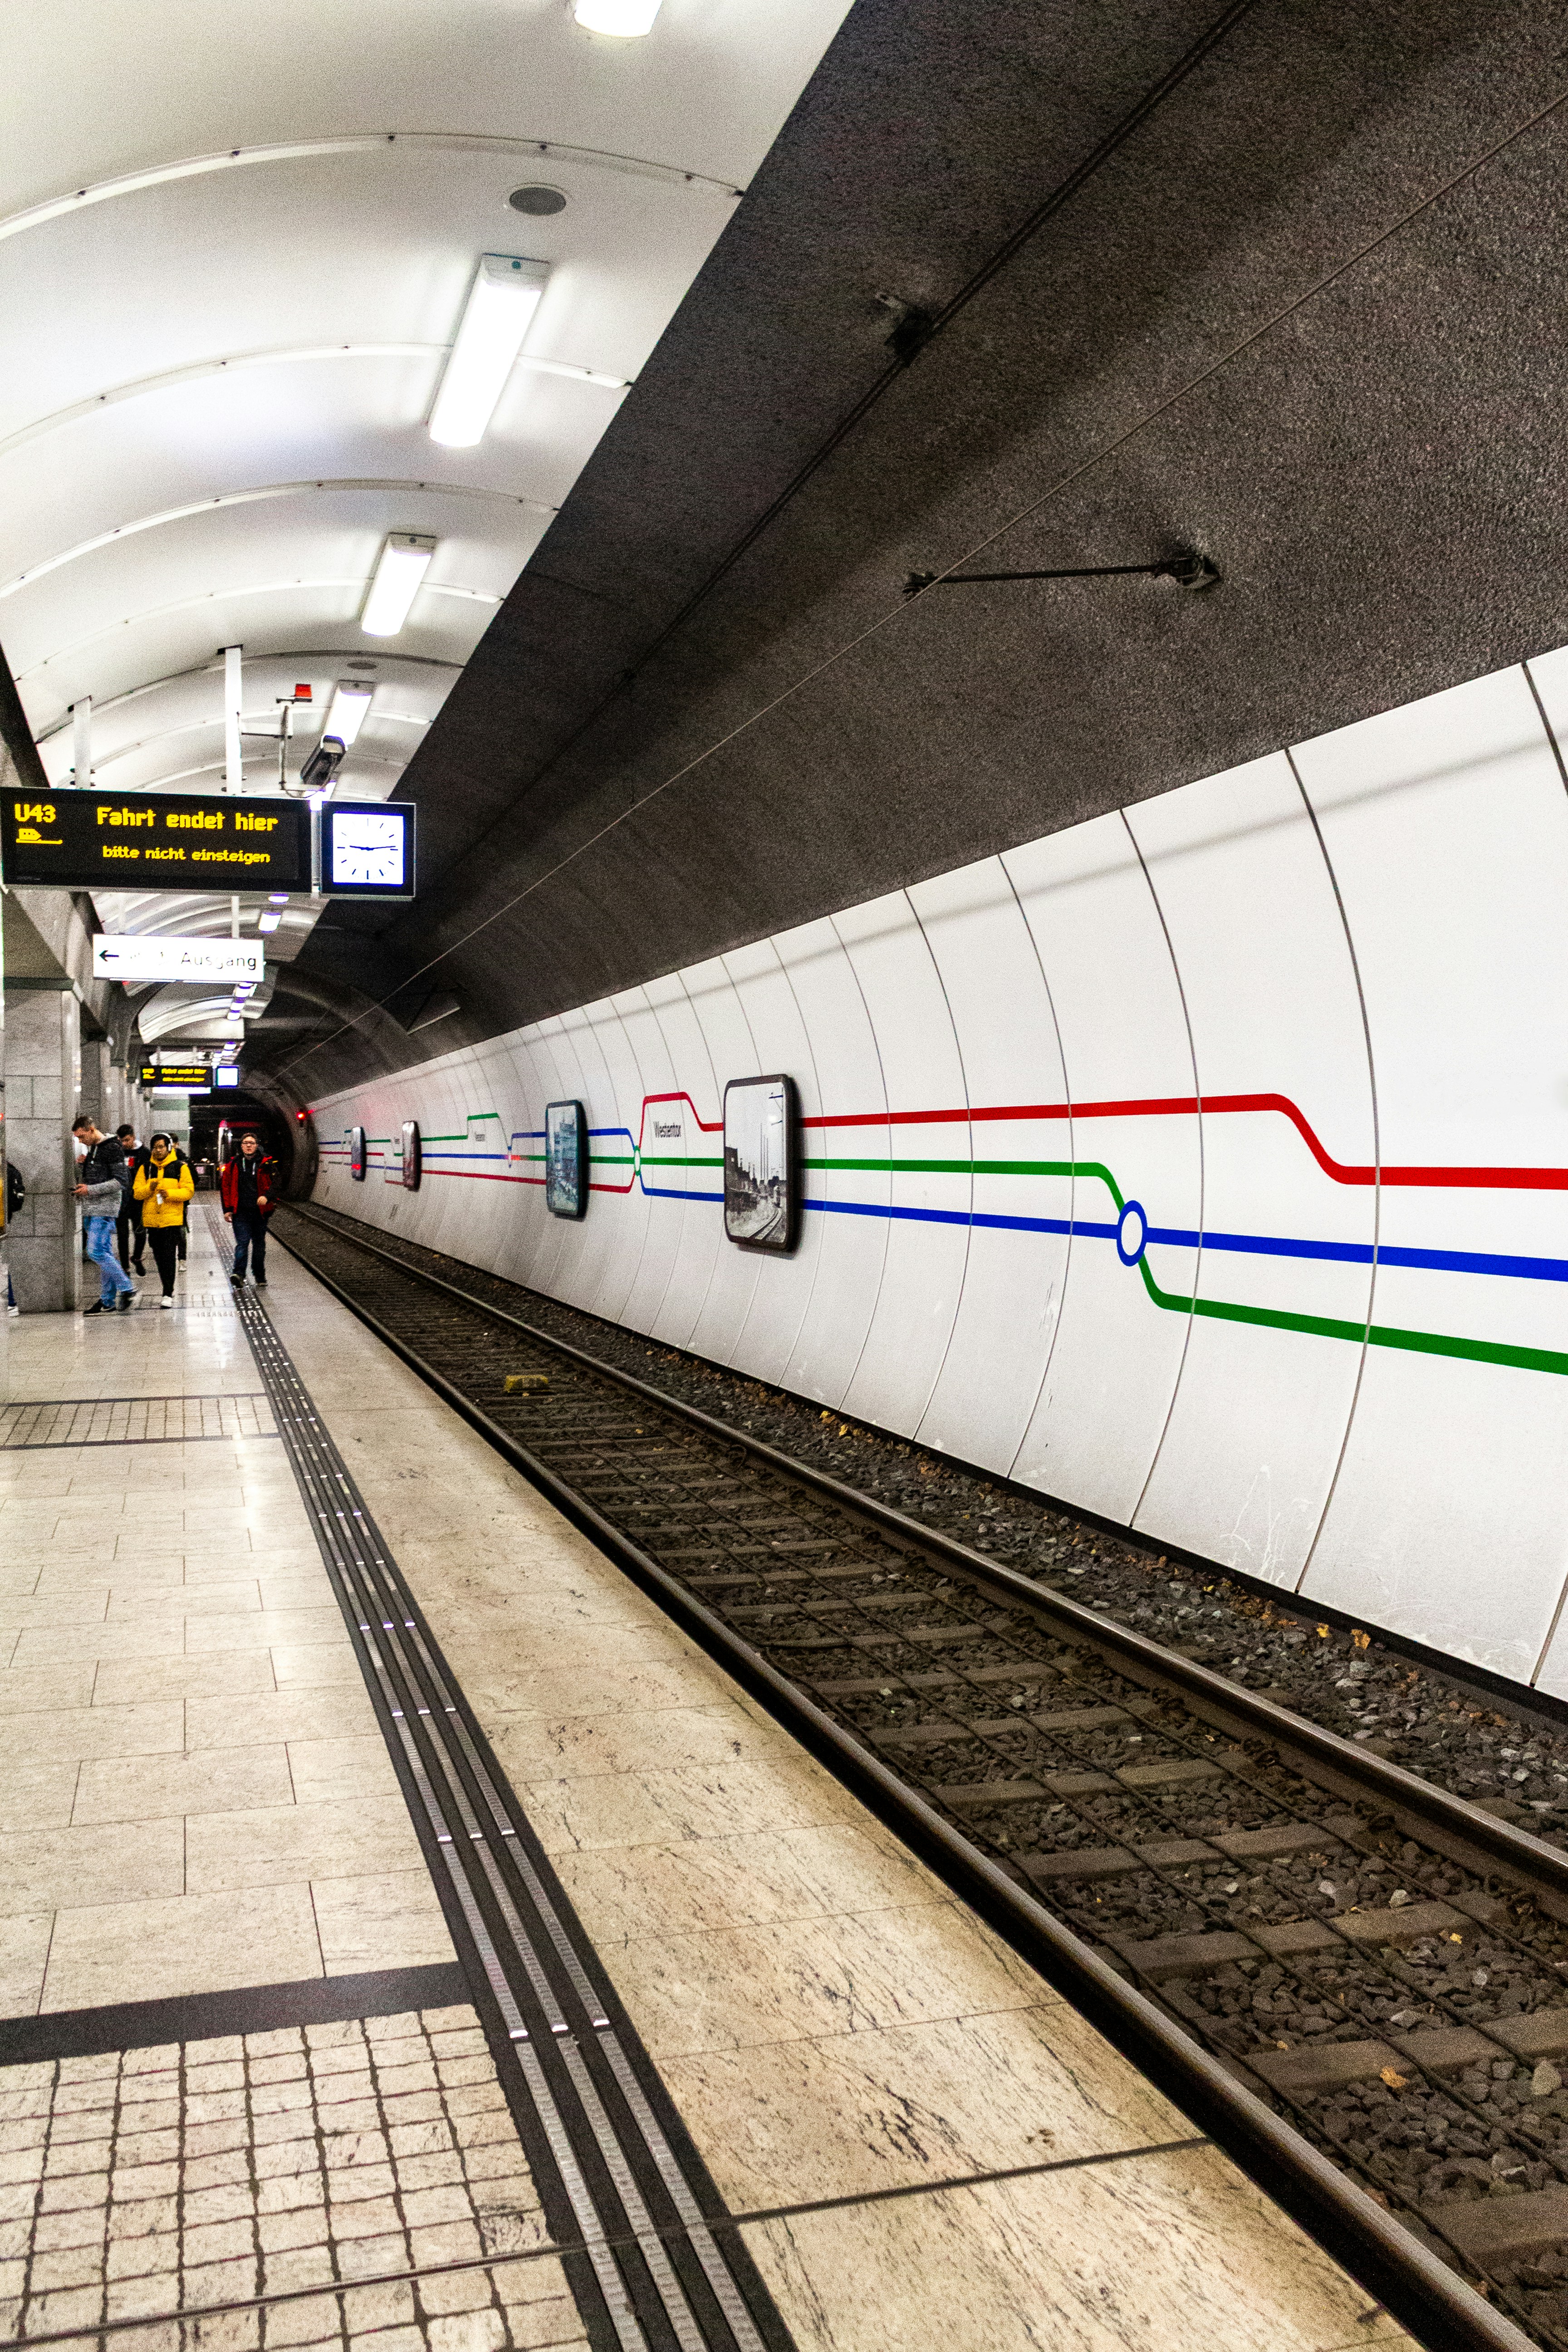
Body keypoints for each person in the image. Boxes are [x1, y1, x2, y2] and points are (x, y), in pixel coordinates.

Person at [71, 1116, 135, 1313]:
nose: (80, 1141)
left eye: (81, 1137)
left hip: (105, 1209)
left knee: (95, 1252)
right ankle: (108, 1301)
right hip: (92, 1208)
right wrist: (84, 1168)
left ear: (91, 1129)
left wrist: (89, 1190)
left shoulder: (113, 1147)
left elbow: (121, 1182)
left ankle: (128, 1288)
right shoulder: (93, 1149)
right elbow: (101, 1174)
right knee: (104, 1252)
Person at [134, 1132, 193, 1308]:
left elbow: (189, 1191)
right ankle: (167, 1288)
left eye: (161, 1147)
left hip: (172, 1221)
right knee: (160, 1257)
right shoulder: (145, 1168)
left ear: (169, 1148)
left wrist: (171, 1195)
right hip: (153, 1222)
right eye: (155, 1147)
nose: (158, 1150)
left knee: (169, 1257)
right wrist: (149, 1189)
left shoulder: (180, 1167)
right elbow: (137, 1193)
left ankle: (168, 1292)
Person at [221, 1132, 278, 1288]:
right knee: (242, 1243)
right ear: (241, 1146)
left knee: (259, 1244)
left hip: (260, 1212)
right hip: (241, 1212)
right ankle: (239, 1274)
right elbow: (225, 1186)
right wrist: (227, 1209)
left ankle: (259, 1275)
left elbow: (277, 1182)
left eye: (252, 1143)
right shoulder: (234, 1164)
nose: (248, 1145)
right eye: (245, 1143)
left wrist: (267, 1196)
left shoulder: (266, 1163)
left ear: (257, 1145)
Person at [115, 1124, 147, 1276]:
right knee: (123, 1236)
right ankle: (125, 1268)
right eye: (122, 1141)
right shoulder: (117, 1152)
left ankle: (137, 1258)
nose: (124, 1144)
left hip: (138, 1200)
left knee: (140, 1232)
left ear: (133, 1137)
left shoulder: (144, 1153)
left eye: (127, 1140)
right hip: (121, 1200)